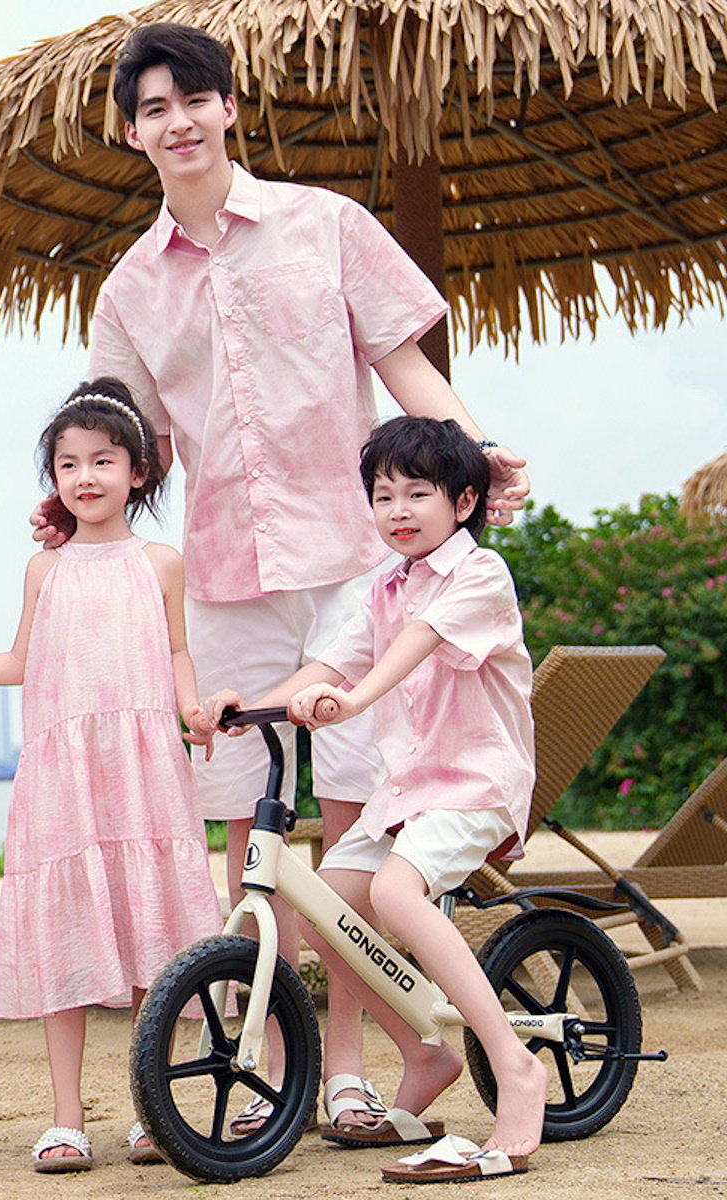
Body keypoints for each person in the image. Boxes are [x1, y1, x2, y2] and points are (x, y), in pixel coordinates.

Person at [32, 20, 531, 1134]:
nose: (177, 120)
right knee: (253, 834)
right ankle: (276, 1059)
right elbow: (119, 429)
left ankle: (348, 1069)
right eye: (153, 108)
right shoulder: (127, 289)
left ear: (228, 108)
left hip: (356, 569)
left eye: (192, 99)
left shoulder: (327, 226)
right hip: (224, 577)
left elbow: (405, 364)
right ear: (132, 133)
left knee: (351, 827)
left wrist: (476, 449)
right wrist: (67, 497)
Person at [201, 415, 545, 1183]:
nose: (397, 509)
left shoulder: (478, 575)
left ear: (463, 502)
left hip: (474, 785)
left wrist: (348, 703)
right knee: (330, 911)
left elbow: (409, 648)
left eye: (416, 493)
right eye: (383, 495)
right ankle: (424, 1048)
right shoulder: (384, 588)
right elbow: (329, 661)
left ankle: (515, 1067)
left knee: (394, 892)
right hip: (409, 794)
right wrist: (244, 710)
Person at [0, 380, 222, 1173]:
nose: (85, 476)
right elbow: (23, 661)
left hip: (145, 770)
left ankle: (150, 1109)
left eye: (102, 460)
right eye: (67, 464)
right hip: (63, 776)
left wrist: (193, 710)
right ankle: (63, 1117)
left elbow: (178, 652)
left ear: (138, 472)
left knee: (149, 943)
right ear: (52, 478)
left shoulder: (161, 562)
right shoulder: (43, 570)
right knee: (67, 942)